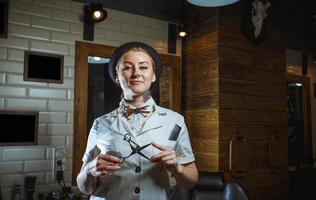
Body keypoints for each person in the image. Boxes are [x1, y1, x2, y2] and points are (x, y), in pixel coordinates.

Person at [77, 42, 198, 200]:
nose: (136, 73)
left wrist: (177, 168)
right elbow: (84, 188)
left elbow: (190, 181)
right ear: (117, 76)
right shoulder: (100, 124)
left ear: (153, 75)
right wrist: (89, 170)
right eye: (127, 67)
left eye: (143, 67)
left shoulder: (175, 122)